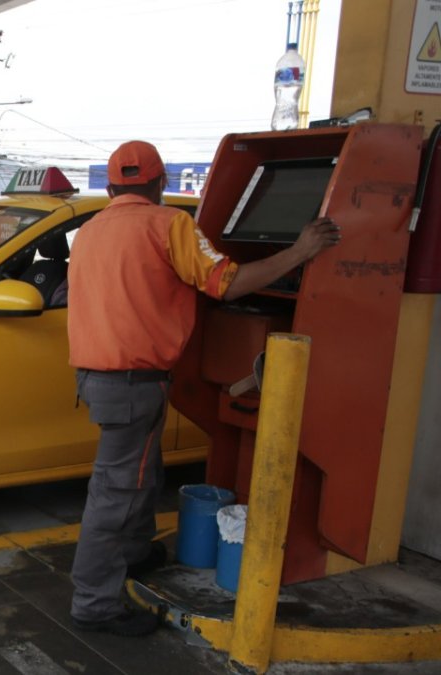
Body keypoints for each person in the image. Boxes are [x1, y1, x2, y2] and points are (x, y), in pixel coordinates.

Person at [64, 140, 340, 637]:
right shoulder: (169, 224)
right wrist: (300, 251)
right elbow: (228, 284)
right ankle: (94, 604)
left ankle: (135, 553)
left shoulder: (88, 232)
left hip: (98, 378)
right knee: (116, 492)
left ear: (110, 187)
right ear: (158, 183)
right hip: (133, 382)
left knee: (141, 476)